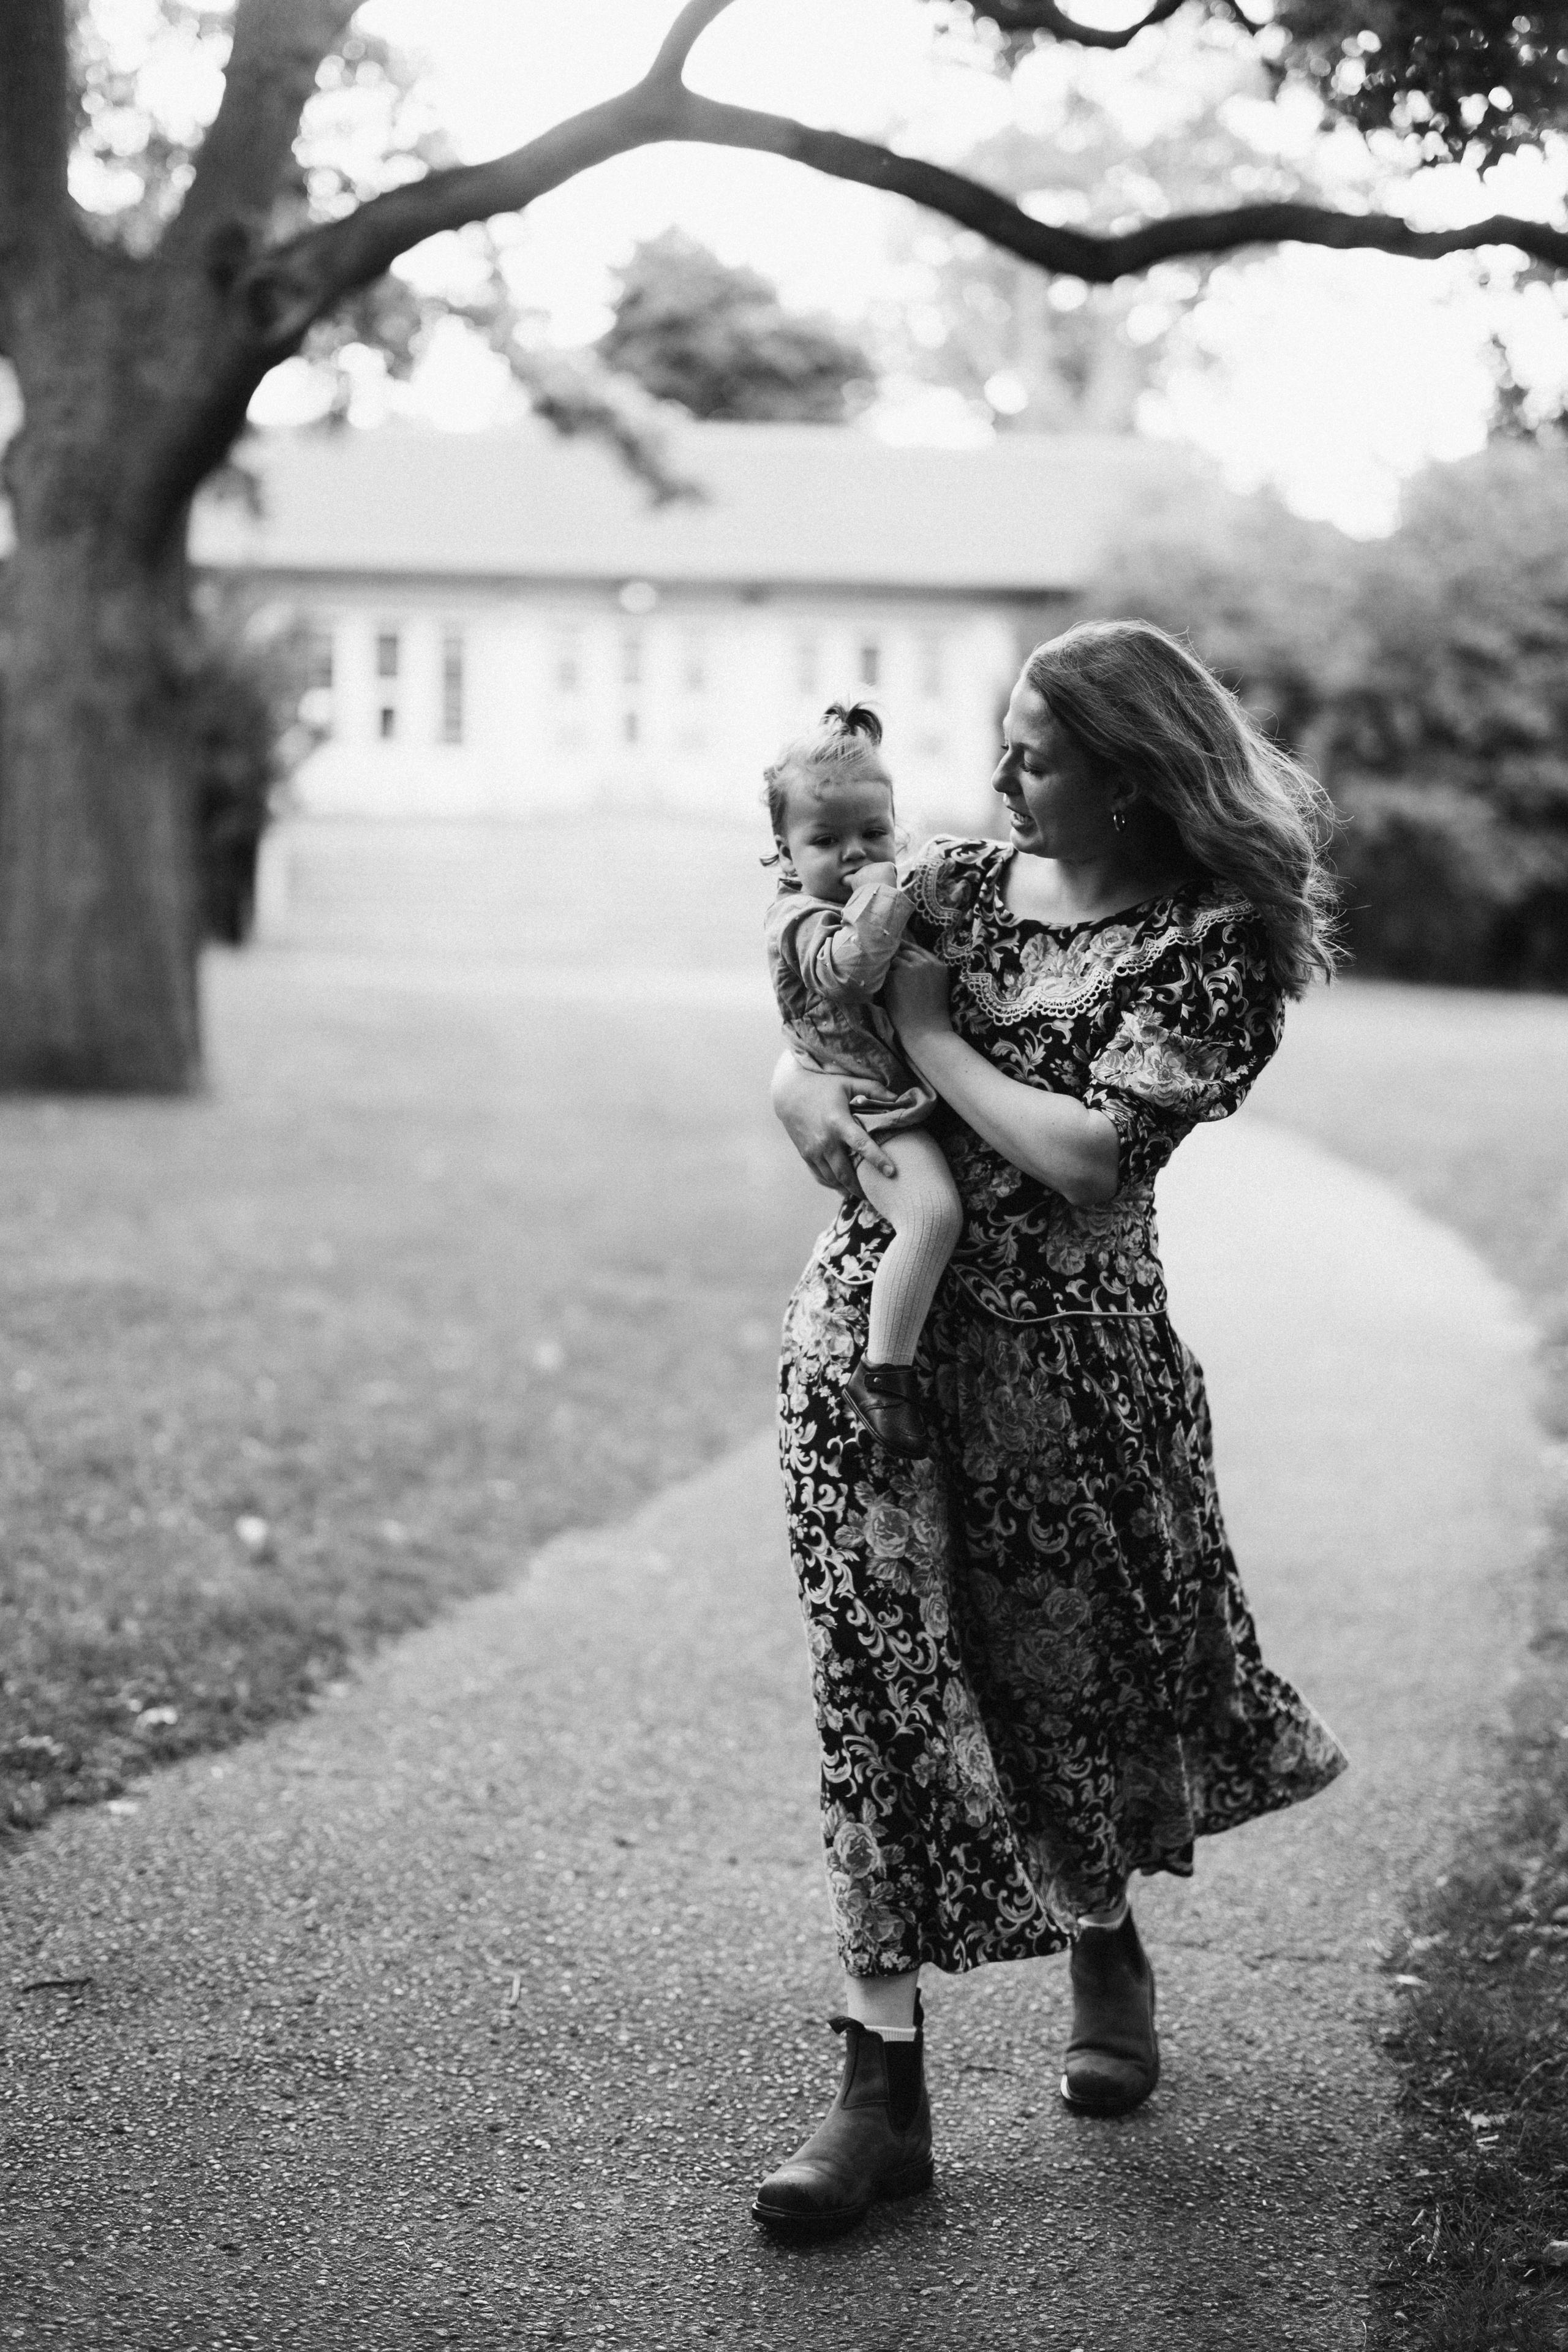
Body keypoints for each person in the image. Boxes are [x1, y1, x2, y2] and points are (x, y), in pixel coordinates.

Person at [751, 620, 1350, 2242]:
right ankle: (881, 2092)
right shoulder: (945, 879)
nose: (1001, 772)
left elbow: (1092, 1158)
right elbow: (817, 1005)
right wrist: (800, 1093)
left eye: (1039, 749)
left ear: (1137, 778)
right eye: (1004, 739)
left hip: (1069, 1375)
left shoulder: (1207, 943)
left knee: (1064, 1685)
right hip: (871, 1350)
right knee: (877, 1694)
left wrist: (941, 1044)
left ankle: (1101, 1932)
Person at [763, 702, 965, 1458]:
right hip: (868, 1111)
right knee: (931, 1216)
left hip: (892, 1097)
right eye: (825, 840)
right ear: (784, 850)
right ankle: (883, 1374)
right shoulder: (800, 917)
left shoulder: (875, 894)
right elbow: (845, 975)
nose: (853, 855)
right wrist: (883, 892)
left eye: (872, 834)